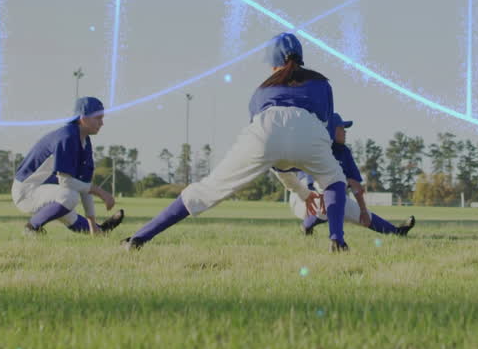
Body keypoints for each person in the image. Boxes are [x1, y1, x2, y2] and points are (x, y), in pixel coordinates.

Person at [123, 33, 353, 251]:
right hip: (309, 129)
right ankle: (337, 239)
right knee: (335, 180)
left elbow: (275, 154)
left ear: (272, 64)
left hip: (264, 130)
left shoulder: (262, 90)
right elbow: (324, 127)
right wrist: (310, 180)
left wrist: (301, 191)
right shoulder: (322, 83)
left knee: (208, 190)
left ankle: (139, 237)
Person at [275, 112, 415, 237]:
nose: (345, 132)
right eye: (341, 128)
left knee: (355, 210)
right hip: (303, 198)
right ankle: (306, 225)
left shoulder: (344, 152)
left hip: (329, 197)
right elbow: (313, 182)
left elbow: (356, 185)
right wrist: (339, 185)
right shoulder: (316, 147)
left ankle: (397, 232)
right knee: (329, 193)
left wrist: (363, 210)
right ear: (331, 130)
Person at [12, 96, 124, 235]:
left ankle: (101, 230)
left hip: (45, 191)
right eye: (98, 118)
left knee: (71, 213)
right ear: (83, 118)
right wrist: (101, 192)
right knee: (69, 196)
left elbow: (85, 185)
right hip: (27, 192)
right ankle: (31, 228)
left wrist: (92, 225)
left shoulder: (84, 141)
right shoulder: (67, 137)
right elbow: (66, 181)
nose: (102, 123)